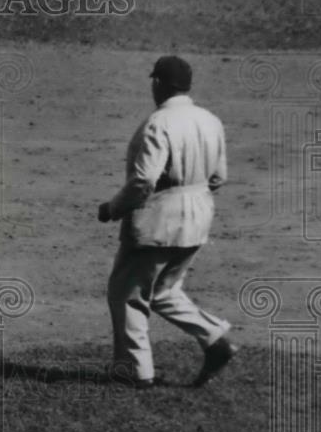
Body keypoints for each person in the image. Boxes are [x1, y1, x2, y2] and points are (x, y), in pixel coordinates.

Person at [97, 55, 236, 388]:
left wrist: (113, 208)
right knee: (163, 291)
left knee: (126, 293)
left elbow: (143, 181)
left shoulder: (158, 123)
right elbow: (219, 176)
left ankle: (135, 371)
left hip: (158, 221)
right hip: (199, 217)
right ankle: (215, 338)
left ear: (158, 83)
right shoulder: (210, 120)